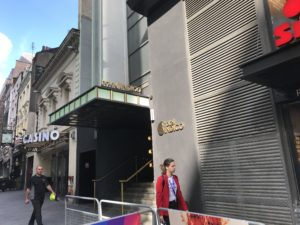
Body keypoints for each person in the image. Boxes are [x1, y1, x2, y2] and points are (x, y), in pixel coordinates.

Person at [156, 158, 188, 225]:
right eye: (172, 166)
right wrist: (161, 213)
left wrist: (185, 209)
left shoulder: (175, 177)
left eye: (174, 165)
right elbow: (158, 198)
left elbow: (179, 195)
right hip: (167, 207)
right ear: (167, 167)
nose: (174, 167)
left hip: (175, 205)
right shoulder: (161, 179)